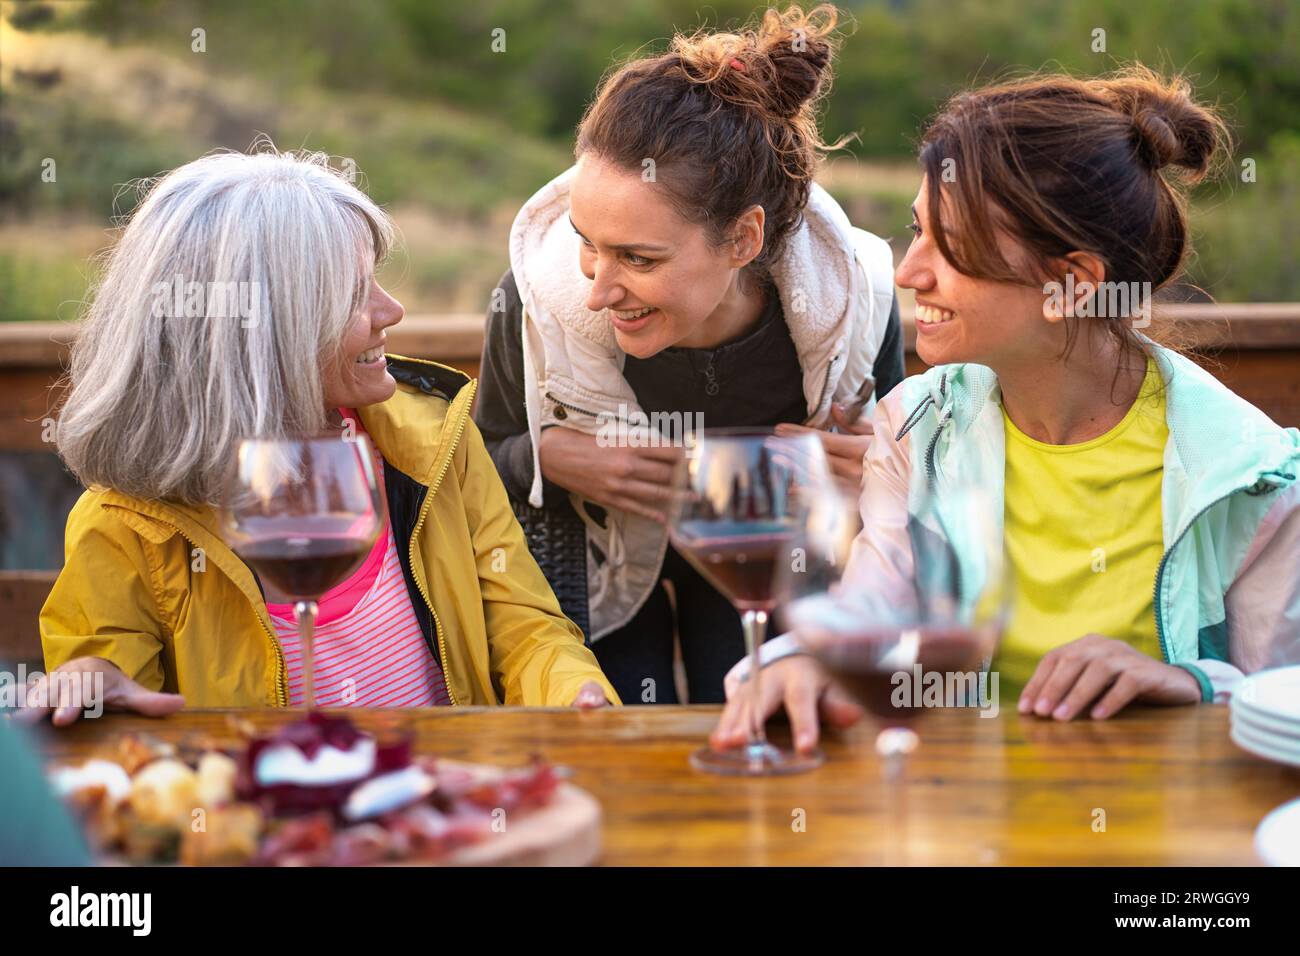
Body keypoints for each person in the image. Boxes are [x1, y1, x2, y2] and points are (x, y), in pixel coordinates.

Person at [712, 65, 1300, 752]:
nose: (908, 272)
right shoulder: (916, 425)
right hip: (960, 817)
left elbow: (1283, 698)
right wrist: (798, 660)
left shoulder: (1252, 478)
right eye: (916, 230)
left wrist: (1194, 682)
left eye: (952, 247)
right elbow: (873, 611)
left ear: (1071, 284)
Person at [31, 146, 619, 726]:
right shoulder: (123, 524)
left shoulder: (435, 439)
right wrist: (93, 687)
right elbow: (110, 700)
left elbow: (522, 625)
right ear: (260, 334)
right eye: (352, 291)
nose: (393, 310)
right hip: (262, 817)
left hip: (445, 802)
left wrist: (576, 693)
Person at [475, 3, 904, 704]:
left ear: (742, 240)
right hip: (593, 579)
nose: (595, 291)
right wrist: (542, 457)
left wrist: (873, 481)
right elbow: (475, 458)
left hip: (768, 577)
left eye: (638, 259)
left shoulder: (856, 301)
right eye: (587, 240)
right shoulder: (531, 299)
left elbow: (895, 509)